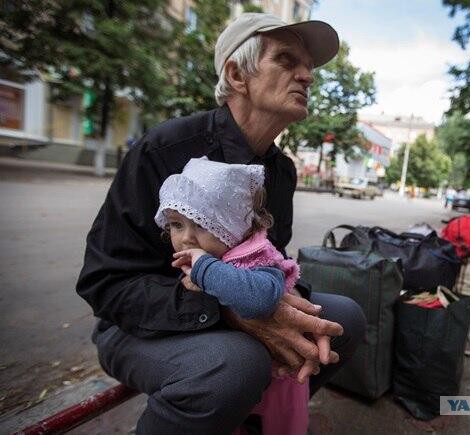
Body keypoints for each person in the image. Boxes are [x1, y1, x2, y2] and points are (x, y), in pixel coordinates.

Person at [76, 12, 366, 435]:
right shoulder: (166, 148)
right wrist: (227, 309)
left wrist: (285, 302)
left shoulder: (279, 171)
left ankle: (250, 420)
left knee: (343, 320)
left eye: (309, 66)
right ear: (237, 74)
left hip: (234, 308)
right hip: (138, 327)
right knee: (234, 367)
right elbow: (106, 284)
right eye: (287, 60)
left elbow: (269, 257)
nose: (307, 76)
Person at [158, 156, 310, 435]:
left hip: (277, 383)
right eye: (177, 225)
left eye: (202, 224)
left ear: (234, 225)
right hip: (238, 376)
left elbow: (259, 299)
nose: (186, 238)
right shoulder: (214, 256)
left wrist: (205, 269)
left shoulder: (256, 257)